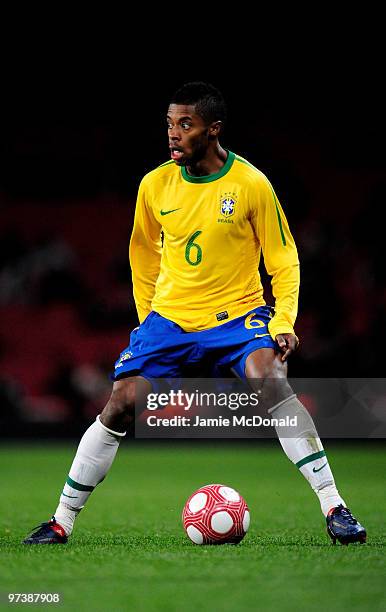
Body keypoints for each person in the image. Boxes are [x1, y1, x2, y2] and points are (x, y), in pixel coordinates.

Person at [24, 82, 366, 546]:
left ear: (213, 130)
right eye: (169, 123)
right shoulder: (155, 184)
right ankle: (61, 520)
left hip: (237, 317)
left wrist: (283, 320)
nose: (173, 134)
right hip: (171, 319)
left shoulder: (250, 184)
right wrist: (148, 319)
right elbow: (142, 254)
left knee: (272, 382)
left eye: (185, 124)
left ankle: (334, 507)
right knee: (121, 401)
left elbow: (283, 258)